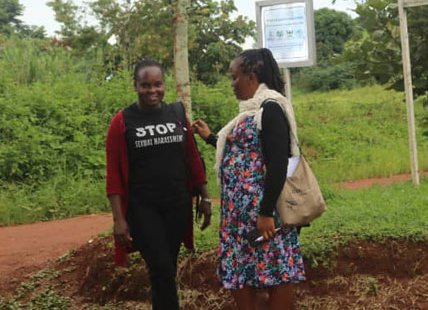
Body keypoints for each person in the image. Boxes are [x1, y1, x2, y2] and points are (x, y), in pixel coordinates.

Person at [193, 48, 305, 310]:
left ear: (251, 77)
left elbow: (278, 165)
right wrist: (211, 138)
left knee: (278, 271)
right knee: (241, 274)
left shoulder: (271, 109)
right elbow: (243, 152)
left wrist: (265, 212)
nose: (232, 84)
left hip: (263, 214)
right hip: (237, 216)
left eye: (234, 77)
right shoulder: (251, 111)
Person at [105, 58, 212, 310]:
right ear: (135, 85)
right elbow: (114, 175)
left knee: (165, 270)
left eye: (158, 84)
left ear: (164, 84)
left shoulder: (176, 113)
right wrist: (119, 219)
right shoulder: (122, 122)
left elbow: (192, 157)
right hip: (143, 209)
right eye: (145, 85)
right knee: (161, 267)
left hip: (177, 204)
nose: (153, 91)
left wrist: (205, 196)